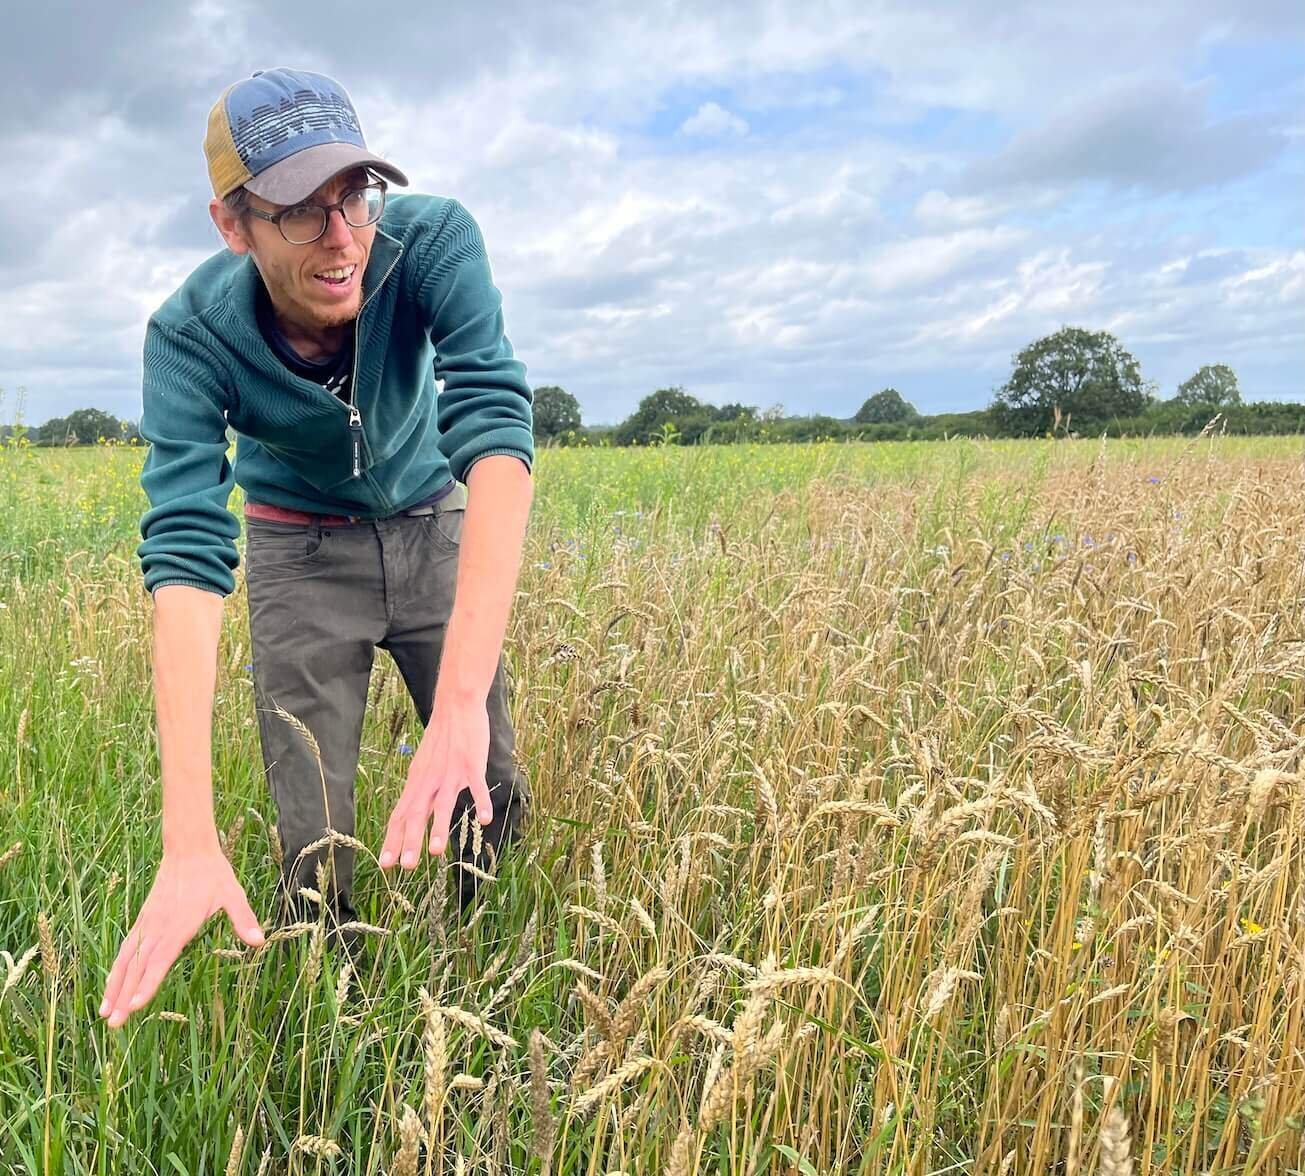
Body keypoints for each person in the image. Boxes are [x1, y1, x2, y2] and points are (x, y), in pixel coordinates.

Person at [98, 67, 535, 1031]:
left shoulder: (430, 242)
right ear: (232, 223)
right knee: (312, 825)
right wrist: (186, 839)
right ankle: (336, 1014)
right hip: (298, 549)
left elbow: (496, 426)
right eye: (299, 210)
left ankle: (477, 971)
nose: (342, 239)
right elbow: (183, 549)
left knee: (489, 777)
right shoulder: (189, 336)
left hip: (431, 522)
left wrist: (459, 702)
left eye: (353, 197)